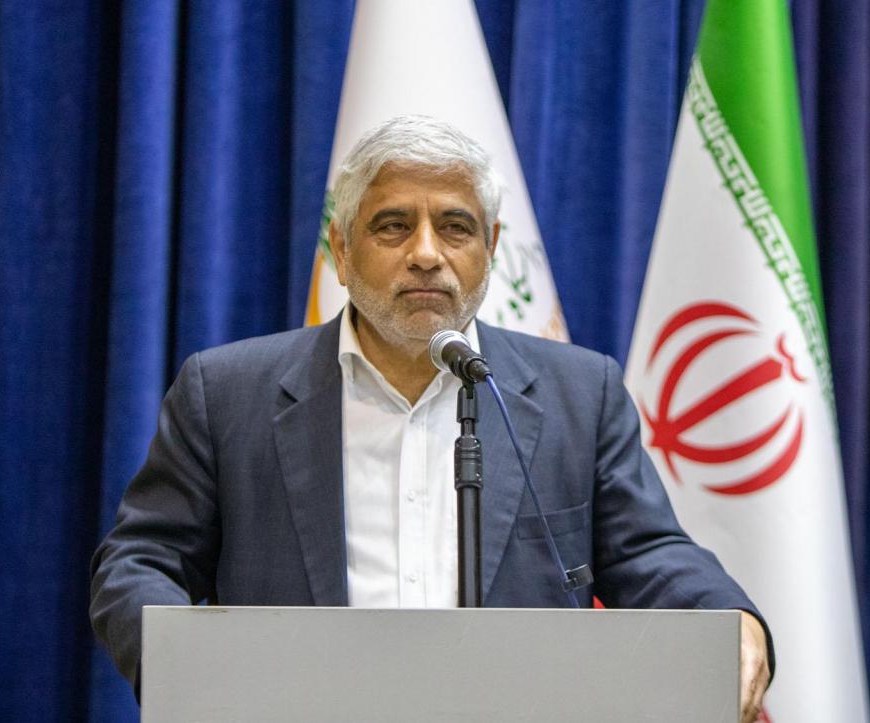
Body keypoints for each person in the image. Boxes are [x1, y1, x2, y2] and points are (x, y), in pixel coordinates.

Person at [90, 114, 772, 721]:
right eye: (392, 225)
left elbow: (648, 554)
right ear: (341, 249)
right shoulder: (227, 393)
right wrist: (194, 674)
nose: (426, 253)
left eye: (455, 227)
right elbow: (141, 560)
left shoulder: (579, 393)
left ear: (491, 247)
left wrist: (731, 621)